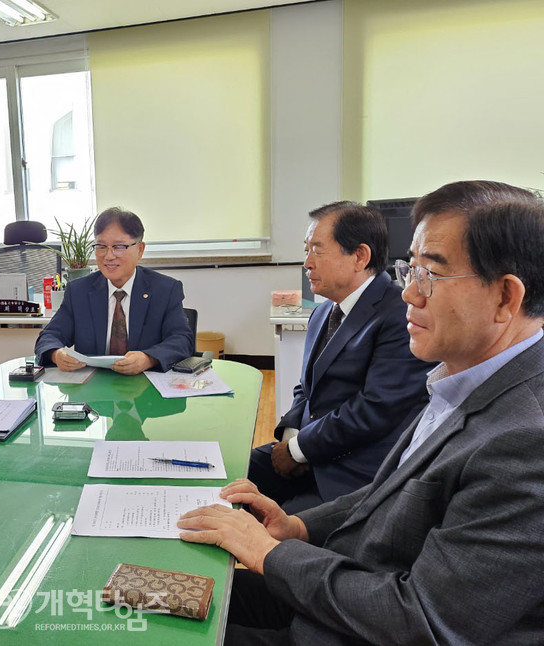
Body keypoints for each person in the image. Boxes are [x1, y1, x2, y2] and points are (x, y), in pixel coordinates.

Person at [178, 180, 544, 644]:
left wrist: (265, 551)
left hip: (363, 621)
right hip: (343, 585)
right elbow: (391, 490)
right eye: (409, 271)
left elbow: (425, 621)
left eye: (429, 275)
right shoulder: (461, 379)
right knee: (152, 595)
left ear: (506, 298)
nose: (409, 294)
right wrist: (297, 527)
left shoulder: (527, 441)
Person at [249, 202, 433, 513]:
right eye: (306, 250)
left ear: (360, 256)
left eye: (316, 251)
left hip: (351, 474)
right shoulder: (323, 311)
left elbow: (374, 409)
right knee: (231, 475)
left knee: (271, 529)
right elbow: (306, 388)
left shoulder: (398, 317)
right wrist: (293, 440)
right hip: (312, 451)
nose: (307, 263)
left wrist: (298, 450)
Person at [34, 207, 193, 375]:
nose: (108, 256)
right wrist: (57, 354)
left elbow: (182, 341)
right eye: (101, 246)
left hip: (146, 390)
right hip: (93, 390)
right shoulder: (79, 291)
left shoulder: (165, 290)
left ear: (140, 250)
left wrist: (148, 358)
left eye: (118, 246)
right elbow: (49, 337)